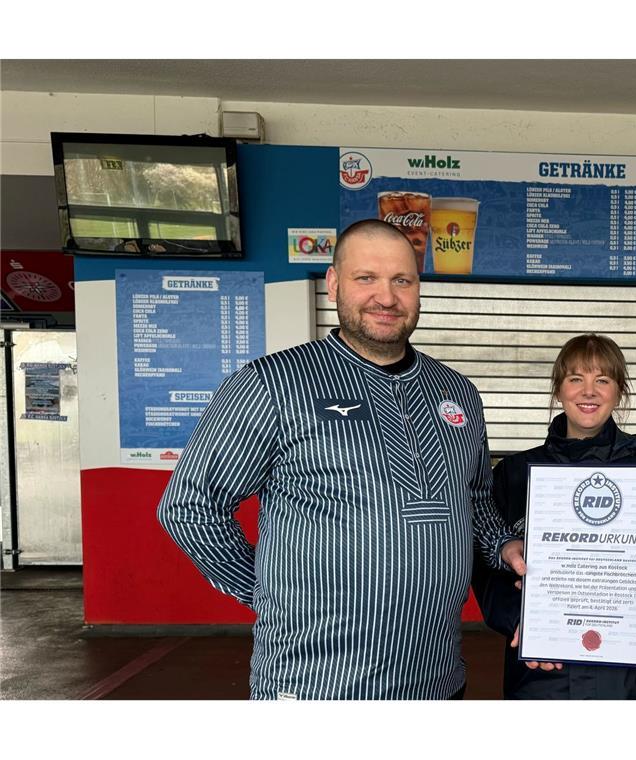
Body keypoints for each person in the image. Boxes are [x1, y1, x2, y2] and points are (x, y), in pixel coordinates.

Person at [157, 219, 524, 700]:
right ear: (333, 284)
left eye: (402, 280)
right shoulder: (271, 383)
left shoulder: (457, 392)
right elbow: (190, 505)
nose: (386, 297)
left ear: (418, 289)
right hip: (316, 683)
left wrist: (503, 546)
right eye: (365, 278)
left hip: (436, 679)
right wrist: (266, 595)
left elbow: (474, 500)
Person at [471, 333, 636, 699]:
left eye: (603, 380)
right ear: (558, 389)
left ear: (619, 391)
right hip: (543, 674)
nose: (588, 391)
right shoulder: (515, 474)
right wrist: (520, 620)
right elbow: (486, 569)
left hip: (632, 675)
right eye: (576, 379)